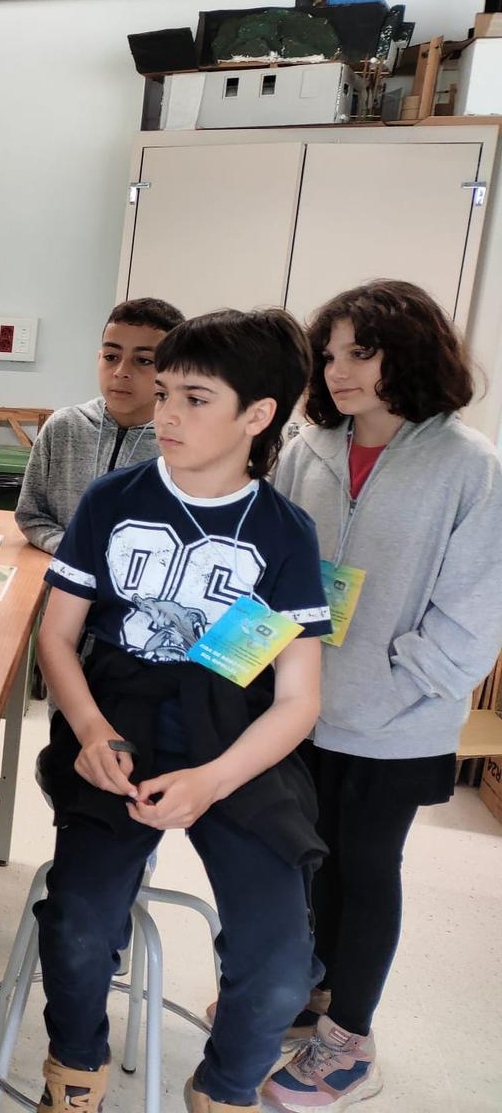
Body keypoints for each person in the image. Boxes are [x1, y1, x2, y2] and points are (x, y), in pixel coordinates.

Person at [34, 308, 333, 1113]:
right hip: (119, 715)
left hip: (233, 732)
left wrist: (212, 781)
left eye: (194, 399)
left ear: (257, 415)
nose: (164, 412)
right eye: (164, 392)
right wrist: (91, 731)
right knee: (78, 924)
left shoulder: (285, 534)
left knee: (281, 965)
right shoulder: (112, 500)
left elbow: (298, 700)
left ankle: (224, 1090)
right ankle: (75, 1072)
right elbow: (56, 637)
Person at [262, 281, 502, 1112]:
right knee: (306, 860)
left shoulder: (470, 465)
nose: (338, 371)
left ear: (412, 353)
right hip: (298, 707)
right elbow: (274, 569)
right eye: (329, 354)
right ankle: (311, 993)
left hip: (396, 722)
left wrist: (399, 683)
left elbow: (476, 611)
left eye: (360, 353)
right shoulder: (307, 448)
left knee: (365, 871)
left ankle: (350, 1044)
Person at [16, 297, 184, 553]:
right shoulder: (64, 427)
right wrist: (76, 555)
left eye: (143, 360)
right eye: (111, 356)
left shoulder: (182, 443)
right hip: (63, 571)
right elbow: (32, 515)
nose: (120, 371)